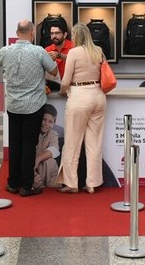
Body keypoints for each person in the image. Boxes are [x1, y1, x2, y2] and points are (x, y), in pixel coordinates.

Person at [0, 19, 58, 197]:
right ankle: (26, 186)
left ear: (16, 32)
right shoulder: (39, 51)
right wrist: (50, 58)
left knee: (15, 143)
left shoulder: (6, 50)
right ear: (32, 33)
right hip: (33, 105)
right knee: (29, 145)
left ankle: (13, 183)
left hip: (13, 104)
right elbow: (53, 71)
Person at [57, 23, 107, 194]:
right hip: (98, 96)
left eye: (72, 35)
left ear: (76, 36)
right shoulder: (98, 51)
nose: (71, 37)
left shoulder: (73, 52)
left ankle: (71, 183)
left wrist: (63, 92)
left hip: (79, 96)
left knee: (72, 142)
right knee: (94, 143)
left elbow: (65, 81)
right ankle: (92, 183)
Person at [33, 103, 61, 189]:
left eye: (50, 122)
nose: (46, 124)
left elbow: (55, 149)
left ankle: (51, 185)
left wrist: (39, 158)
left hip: (43, 166)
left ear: (54, 123)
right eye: (44, 119)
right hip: (32, 166)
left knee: (51, 162)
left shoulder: (53, 134)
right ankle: (34, 181)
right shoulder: (32, 130)